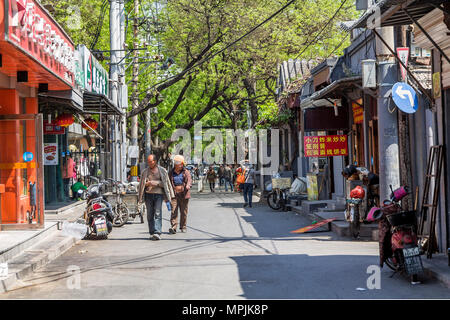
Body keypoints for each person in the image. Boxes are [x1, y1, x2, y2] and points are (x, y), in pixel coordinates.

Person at [138, 154, 175, 241]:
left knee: (157, 213)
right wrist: (146, 185)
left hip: (159, 195)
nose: (149, 163)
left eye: (151, 161)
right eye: (148, 162)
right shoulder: (144, 172)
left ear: (155, 161)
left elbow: (166, 184)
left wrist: (156, 183)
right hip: (148, 195)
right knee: (150, 214)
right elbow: (141, 185)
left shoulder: (162, 171)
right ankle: (152, 232)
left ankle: (157, 232)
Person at [168, 155, 192, 234]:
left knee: (183, 212)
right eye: (178, 164)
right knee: (173, 211)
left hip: (184, 195)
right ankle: (173, 227)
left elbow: (189, 180)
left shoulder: (186, 172)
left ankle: (183, 226)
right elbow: (168, 182)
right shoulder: (171, 173)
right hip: (174, 195)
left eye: (181, 164)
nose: (180, 166)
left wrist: (188, 185)